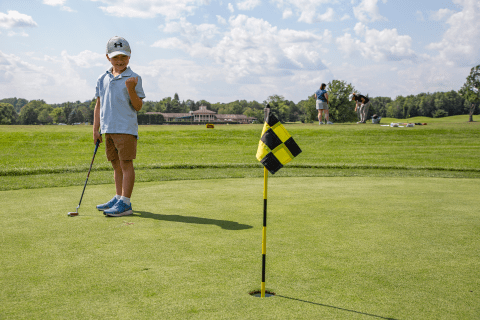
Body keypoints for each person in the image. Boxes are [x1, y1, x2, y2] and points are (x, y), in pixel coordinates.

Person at [93, 36, 146, 217]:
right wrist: (96, 129)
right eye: (115, 57)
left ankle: (126, 203)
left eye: (123, 57)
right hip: (108, 128)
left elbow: (138, 106)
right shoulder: (102, 78)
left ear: (129, 57)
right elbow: (99, 105)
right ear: (108, 57)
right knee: (115, 164)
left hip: (125, 128)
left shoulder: (134, 78)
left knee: (126, 164)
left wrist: (131, 89)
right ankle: (118, 197)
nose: (120, 61)